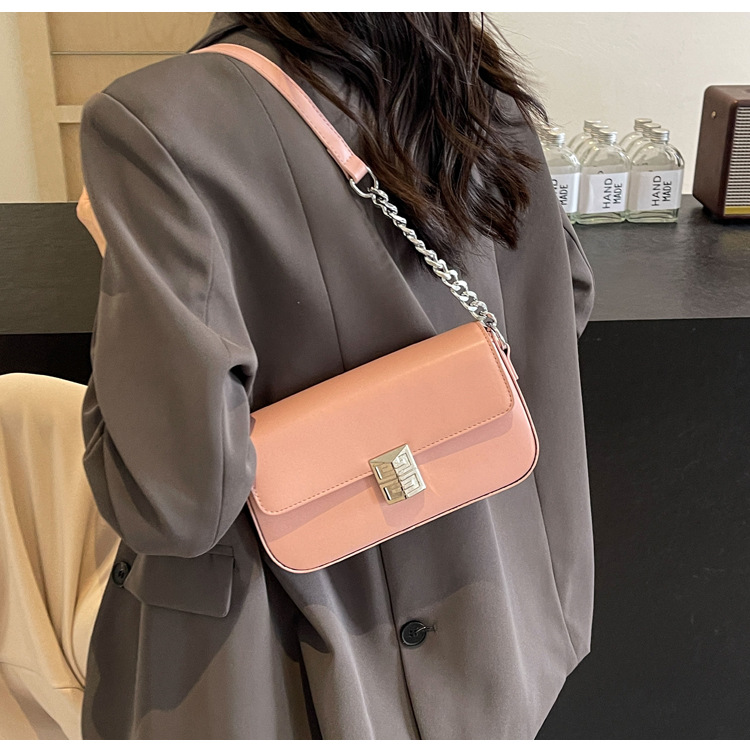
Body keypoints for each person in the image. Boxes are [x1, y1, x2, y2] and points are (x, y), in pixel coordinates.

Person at [1, 12, 595, 739]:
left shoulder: (157, 120)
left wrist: (129, 291)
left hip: (292, 674)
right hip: (501, 610)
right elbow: (566, 297)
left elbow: (173, 502)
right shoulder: (471, 80)